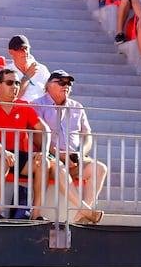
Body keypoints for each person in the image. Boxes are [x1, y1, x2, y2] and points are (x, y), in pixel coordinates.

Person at [35, 70, 109, 215]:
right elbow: (37, 137)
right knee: (60, 167)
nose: (66, 86)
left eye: (69, 83)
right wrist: (60, 155)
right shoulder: (37, 104)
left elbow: (87, 135)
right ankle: (85, 210)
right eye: (61, 82)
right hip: (50, 159)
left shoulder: (77, 106)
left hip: (74, 159)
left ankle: (81, 216)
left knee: (100, 168)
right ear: (48, 84)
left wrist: (80, 154)